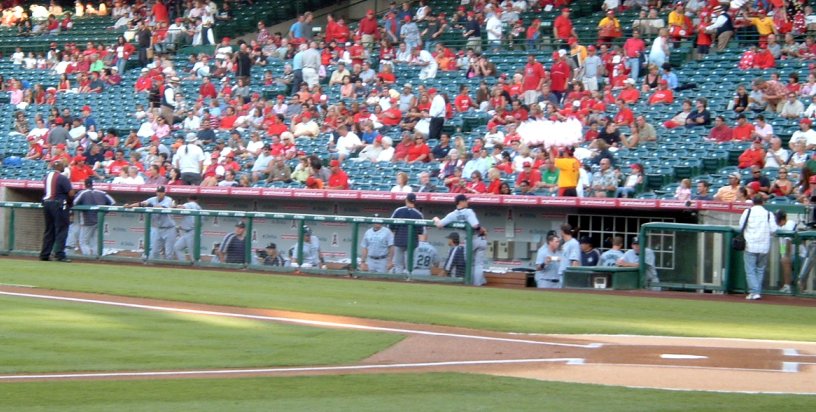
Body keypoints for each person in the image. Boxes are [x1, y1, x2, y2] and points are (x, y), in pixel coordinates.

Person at [739, 196, 778, 300]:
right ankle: (757, 292)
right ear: (763, 202)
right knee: (760, 269)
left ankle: (754, 292)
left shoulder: (747, 212)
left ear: (753, 202)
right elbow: (774, 229)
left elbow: (741, 226)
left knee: (750, 270)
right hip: (764, 246)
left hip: (750, 245)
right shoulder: (768, 214)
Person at [124, 186, 176, 260]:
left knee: (169, 253)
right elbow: (141, 204)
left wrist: (151, 205)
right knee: (154, 251)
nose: (159, 193)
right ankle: (155, 268)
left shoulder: (168, 199)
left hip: (169, 228)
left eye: (161, 192)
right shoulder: (152, 199)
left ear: (164, 193)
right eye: (158, 192)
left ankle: (170, 269)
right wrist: (129, 206)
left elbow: (162, 207)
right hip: (157, 229)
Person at [40, 160, 75, 262]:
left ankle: (45, 254)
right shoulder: (62, 178)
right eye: (63, 166)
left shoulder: (47, 177)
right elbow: (71, 193)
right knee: (62, 229)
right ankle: (59, 254)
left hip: (46, 204)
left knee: (49, 230)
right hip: (58, 204)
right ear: (59, 167)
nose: (64, 167)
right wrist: (70, 203)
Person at [72, 178, 115, 256]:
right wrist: (104, 212)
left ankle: (88, 258)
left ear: (85, 184)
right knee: (95, 241)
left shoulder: (83, 193)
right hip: (99, 220)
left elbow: (74, 202)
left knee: (83, 241)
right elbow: (112, 202)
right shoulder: (101, 192)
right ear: (92, 184)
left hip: (87, 221)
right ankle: (96, 258)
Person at [390, 193, 425, 274]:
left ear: (406, 200)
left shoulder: (399, 211)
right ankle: (408, 280)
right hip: (412, 243)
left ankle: (399, 282)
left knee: (398, 265)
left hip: (399, 241)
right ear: (415, 202)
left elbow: (391, 226)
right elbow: (421, 231)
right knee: (409, 266)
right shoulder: (418, 214)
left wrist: (398, 233)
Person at [173, 195, 201, 262]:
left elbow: (182, 207)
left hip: (191, 232)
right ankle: (183, 263)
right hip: (190, 231)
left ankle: (198, 267)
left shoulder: (190, 204)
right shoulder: (199, 207)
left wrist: (174, 205)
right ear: (197, 200)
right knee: (177, 247)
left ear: (188, 199)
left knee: (193, 253)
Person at [776, 210, 796, 294]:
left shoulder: (790, 223)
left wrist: (786, 256)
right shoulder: (781, 227)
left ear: (782, 219)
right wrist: (783, 255)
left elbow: (788, 241)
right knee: (783, 260)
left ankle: (787, 286)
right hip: (791, 254)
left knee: (785, 260)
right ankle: (787, 286)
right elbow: (782, 244)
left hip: (799, 254)